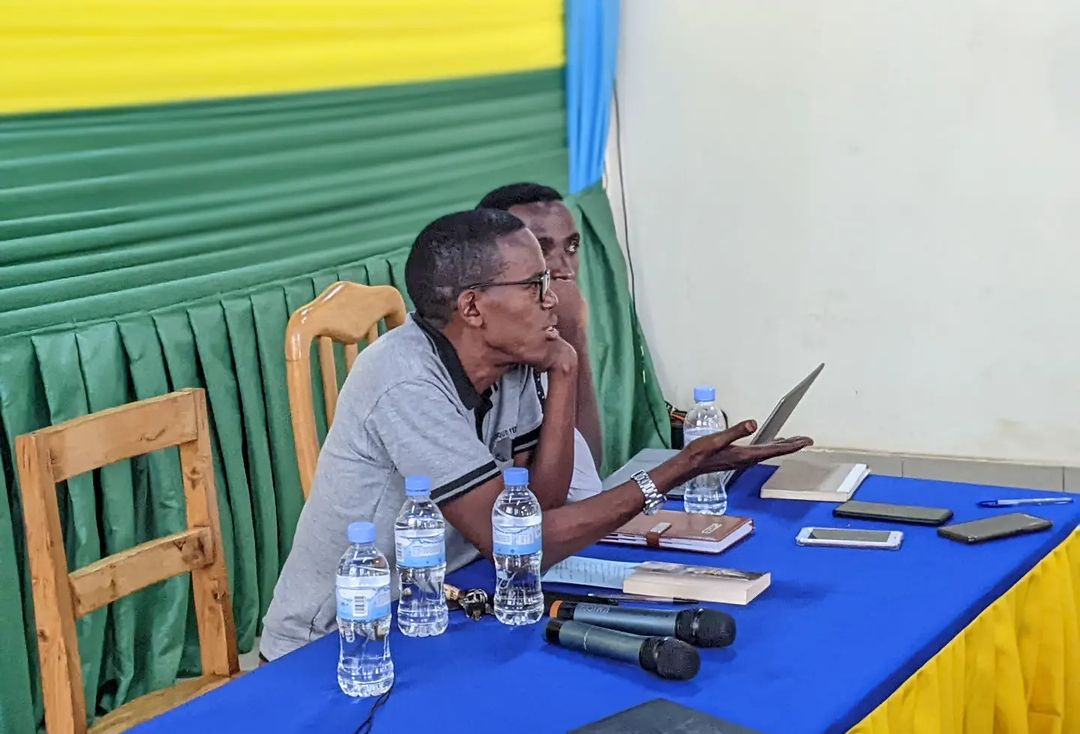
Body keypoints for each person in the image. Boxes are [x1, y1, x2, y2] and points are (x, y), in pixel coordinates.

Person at [259, 209, 811, 660]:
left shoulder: (511, 361)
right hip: (343, 638)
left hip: (449, 601)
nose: (552, 298)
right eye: (534, 285)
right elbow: (514, 545)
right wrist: (671, 472)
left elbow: (537, 506)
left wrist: (565, 369)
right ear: (472, 306)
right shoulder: (404, 381)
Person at [477, 183, 602, 502]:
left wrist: (574, 340)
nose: (564, 269)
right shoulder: (485, 346)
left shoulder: (543, 339)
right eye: (541, 250)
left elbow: (586, 477)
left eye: (572, 247)